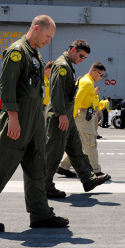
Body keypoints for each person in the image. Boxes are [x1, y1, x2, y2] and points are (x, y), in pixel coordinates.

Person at [0, 15, 69, 232]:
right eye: (47, 36)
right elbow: (6, 87)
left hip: (34, 119)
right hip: (19, 119)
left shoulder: (34, 52)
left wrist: (39, 121)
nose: (49, 40)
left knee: (38, 166)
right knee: (0, 169)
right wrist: (14, 119)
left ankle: (40, 213)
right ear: (36, 28)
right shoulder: (17, 51)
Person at [45, 39, 109, 199]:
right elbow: (56, 93)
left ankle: (88, 179)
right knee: (54, 152)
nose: (82, 60)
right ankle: (45, 186)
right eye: (81, 56)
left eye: (85, 58)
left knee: (76, 148)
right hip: (60, 116)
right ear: (73, 49)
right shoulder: (62, 66)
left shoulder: (68, 66)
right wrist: (62, 115)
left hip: (67, 115)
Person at [57, 62, 111, 180]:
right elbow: (77, 100)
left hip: (84, 115)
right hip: (83, 115)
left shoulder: (88, 81)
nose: (101, 78)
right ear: (95, 72)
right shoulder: (87, 82)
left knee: (82, 143)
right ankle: (95, 171)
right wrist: (73, 116)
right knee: (90, 142)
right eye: (101, 75)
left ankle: (64, 166)